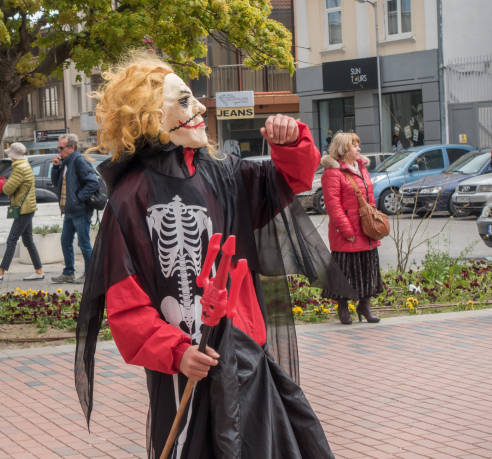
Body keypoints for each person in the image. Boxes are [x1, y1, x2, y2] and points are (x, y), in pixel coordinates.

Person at [74, 53, 353, 458]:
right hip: (181, 369)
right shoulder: (129, 198)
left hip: (242, 357)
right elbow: (124, 301)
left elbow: (287, 182)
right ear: (151, 116)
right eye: (184, 101)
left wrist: (291, 143)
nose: (201, 107)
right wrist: (176, 351)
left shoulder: (224, 173)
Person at [320, 132, 384, 324]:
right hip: (346, 232)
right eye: (355, 145)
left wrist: (375, 221)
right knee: (345, 271)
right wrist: (347, 230)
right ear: (344, 149)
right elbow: (334, 206)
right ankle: (342, 307)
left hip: (366, 230)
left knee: (368, 269)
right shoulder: (332, 173)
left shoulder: (362, 169)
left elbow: (369, 200)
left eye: (358, 144)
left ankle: (364, 306)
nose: (359, 148)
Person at [0, 142, 44, 281]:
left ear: (14, 155)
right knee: (28, 241)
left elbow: (7, 189)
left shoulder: (19, 169)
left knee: (12, 240)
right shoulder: (26, 165)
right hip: (28, 207)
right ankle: (39, 271)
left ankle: (1, 272)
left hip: (23, 209)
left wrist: (5, 183)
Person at [50, 133, 100, 284]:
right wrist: (55, 167)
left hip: (80, 211)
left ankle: (90, 275)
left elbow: (93, 183)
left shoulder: (78, 161)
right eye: (58, 147)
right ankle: (68, 273)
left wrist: (78, 199)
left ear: (71, 147)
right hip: (69, 211)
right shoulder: (65, 162)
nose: (59, 151)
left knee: (84, 243)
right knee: (65, 241)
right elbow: (56, 183)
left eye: (61, 148)